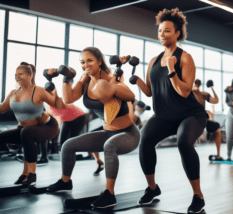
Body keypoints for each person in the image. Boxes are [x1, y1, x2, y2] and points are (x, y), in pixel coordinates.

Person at [129, 8, 207, 213]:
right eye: (160, 31)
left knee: (183, 142)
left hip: (190, 114)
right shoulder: (154, 61)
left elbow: (184, 92)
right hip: (164, 115)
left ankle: (198, 196)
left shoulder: (185, 58)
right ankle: (152, 188)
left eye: (167, 31)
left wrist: (172, 70)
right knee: (144, 139)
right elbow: (148, 92)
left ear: (177, 34)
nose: (162, 35)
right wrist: (136, 80)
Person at [46, 47, 140, 209]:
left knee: (109, 146)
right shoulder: (85, 80)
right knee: (68, 145)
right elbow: (68, 99)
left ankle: (109, 194)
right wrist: (67, 79)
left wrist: (112, 88)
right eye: (82, 62)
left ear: (99, 61)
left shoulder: (113, 80)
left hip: (128, 134)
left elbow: (131, 96)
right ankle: (65, 181)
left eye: (89, 60)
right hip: (107, 132)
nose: (85, 65)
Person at [0, 62, 62, 187]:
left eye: (21, 74)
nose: (17, 77)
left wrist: (53, 88)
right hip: (24, 128)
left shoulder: (38, 90)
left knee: (26, 133)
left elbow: (57, 104)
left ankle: (32, 175)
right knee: (3, 136)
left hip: (48, 127)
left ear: (30, 75)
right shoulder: (13, 93)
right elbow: (2, 108)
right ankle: (24, 174)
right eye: (16, 75)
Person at [47, 102, 104, 175]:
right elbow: (59, 119)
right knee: (63, 143)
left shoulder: (55, 100)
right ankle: (65, 170)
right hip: (66, 119)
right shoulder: (48, 109)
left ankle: (98, 160)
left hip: (78, 116)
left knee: (74, 143)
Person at [192, 79, 222, 159]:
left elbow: (216, 100)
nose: (198, 84)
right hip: (191, 120)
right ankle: (190, 155)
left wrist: (211, 88)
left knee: (217, 128)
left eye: (199, 83)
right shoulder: (188, 92)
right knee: (190, 135)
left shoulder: (203, 94)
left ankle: (218, 155)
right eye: (196, 83)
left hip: (202, 119)